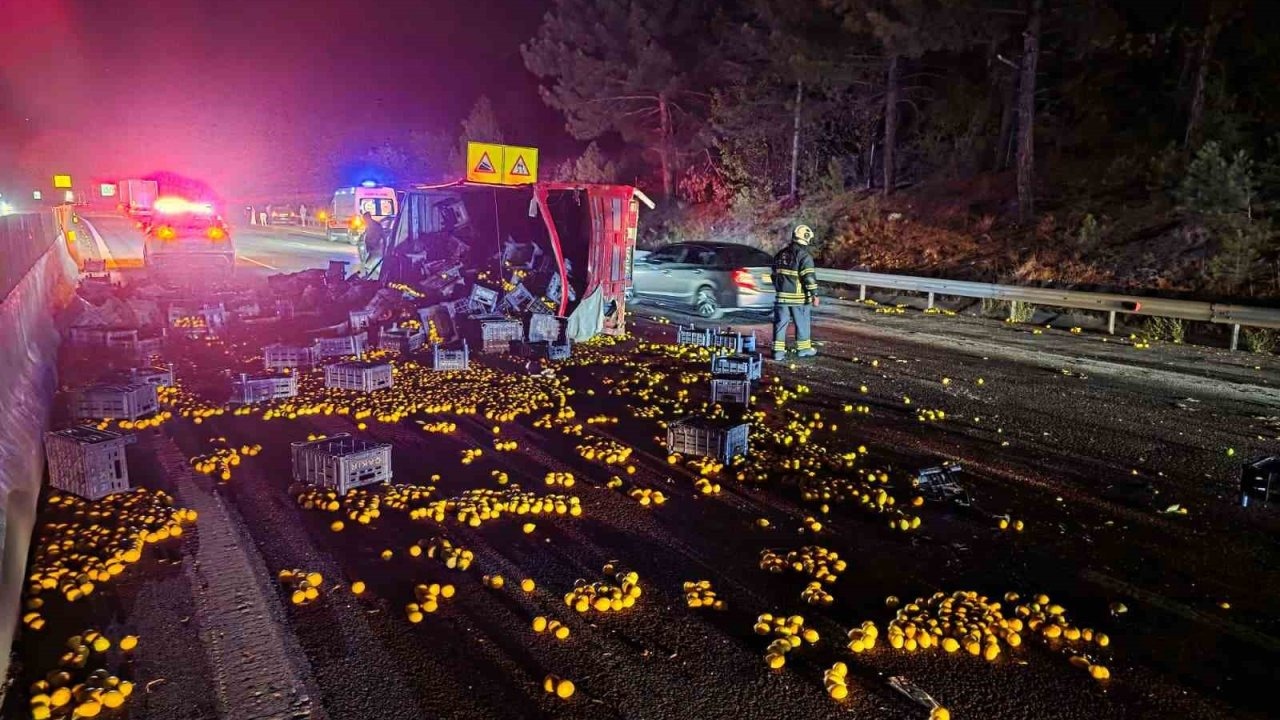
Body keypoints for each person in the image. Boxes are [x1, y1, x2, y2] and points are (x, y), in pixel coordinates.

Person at [771, 224, 820, 360]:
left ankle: (778, 352)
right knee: (802, 323)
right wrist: (814, 294)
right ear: (806, 238)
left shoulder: (780, 254)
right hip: (798, 298)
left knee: (780, 324)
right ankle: (803, 349)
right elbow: (808, 278)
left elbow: (773, 275)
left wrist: (779, 289)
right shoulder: (804, 256)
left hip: (781, 297)